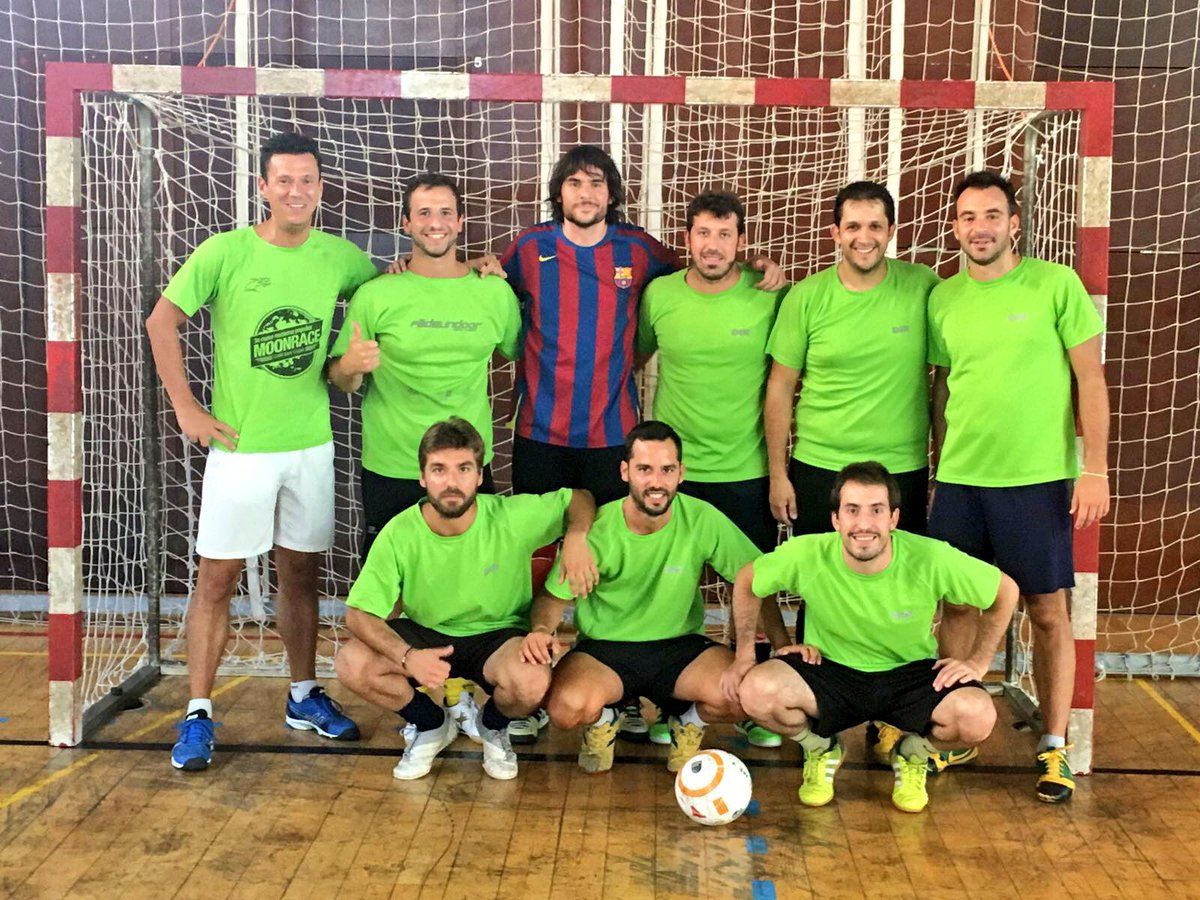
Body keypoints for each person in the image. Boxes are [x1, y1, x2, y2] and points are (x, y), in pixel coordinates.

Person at [500, 145, 785, 743]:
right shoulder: (528, 249)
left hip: (610, 439)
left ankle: (632, 697)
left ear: (612, 193)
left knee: (623, 560)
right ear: (558, 191)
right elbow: (489, 274)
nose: (586, 192)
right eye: (574, 182)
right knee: (533, 565)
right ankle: (520, 690)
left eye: (597, 183)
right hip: (539, 434)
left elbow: (705, 263)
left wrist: (756, 259)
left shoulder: (639, 251)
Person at [145, 131, 379, 771]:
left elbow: (398, 285)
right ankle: (198, 711)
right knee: (216, 579)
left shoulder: (340, 257)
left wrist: (473, 272)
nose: (296, 191)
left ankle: (302, 694)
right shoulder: (225, 252)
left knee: (300, 574)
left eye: (307, 180)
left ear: (321, 190)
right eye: (284, 180)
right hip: (242, 450)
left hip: (311, 446)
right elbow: (161, 321)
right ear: (264, 187)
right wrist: (186, 408)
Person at [927, 171, 1110, 803]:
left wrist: (1095, 467)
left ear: (1014, 223)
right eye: (967, 216)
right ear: (955, 226)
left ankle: (1054, 745)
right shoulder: (943, 299)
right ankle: (953, 730)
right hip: (960, 480)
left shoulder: (1055, 286)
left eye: (991, 215)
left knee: (1048, 610)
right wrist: (938, 461)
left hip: (1035, 482)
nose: (979, 227)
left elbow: (1090, 378)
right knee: (955, 606)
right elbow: (944, 387)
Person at [327, 174, 522, 740]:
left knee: (472, 589)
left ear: (461, 223)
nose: (435, 223)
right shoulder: (376, 294)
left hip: (463, 475)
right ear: (406, 224)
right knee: (387, 602)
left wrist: (499, 272)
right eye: (423, 213)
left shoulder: (492, 292)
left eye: (445, 212)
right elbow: (339, 380)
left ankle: (475, 697)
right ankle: (424, 716)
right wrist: (351, 366)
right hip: (392, 465)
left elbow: (519, 351)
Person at [762, 181, 942, 767]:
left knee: (898, 589)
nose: (864, 237)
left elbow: (942, 383)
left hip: (903, 471)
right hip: (819, 468)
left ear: (891, 231)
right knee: (825, 587)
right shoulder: (807, 298)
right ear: (834, 232)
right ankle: (824, 718)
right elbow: (781, 388)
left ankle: (895, 716)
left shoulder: (923, 289)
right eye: (853, 226)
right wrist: (778, 474)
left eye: (876, 226)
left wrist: (943, 464)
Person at [722, 462, 1019, 813]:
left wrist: (978, 662)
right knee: (755, 691)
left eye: (876, 510)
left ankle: (913, 755)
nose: (864, 524)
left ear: (893, 518)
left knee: (978, 716)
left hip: (908, 673)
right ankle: (820, 747)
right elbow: (746, 581)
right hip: (830, 669)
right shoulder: (808, 553)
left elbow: (1006, 591)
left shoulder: (930, 556)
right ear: (836, 519)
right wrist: (751, 653)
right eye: (852, 510)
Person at [333, 418, 597, 780]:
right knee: (352, 662)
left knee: (533, 679)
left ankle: (491, 726)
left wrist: (578, 537)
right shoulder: (400, 532)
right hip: (428, 633)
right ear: (423, 477)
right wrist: (408, 657)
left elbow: (579, 499)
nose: (452, 482)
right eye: (439, 469)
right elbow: (358, 614)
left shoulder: (511, 517)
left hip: (498, 636)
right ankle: (430, 725)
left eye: (463, 469)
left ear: (478, 476)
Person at [636, 189, 790, 749]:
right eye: (703, 233)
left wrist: (778, 473)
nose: (713, 245)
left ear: (742, 242)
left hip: (744, 469)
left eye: (725, 235)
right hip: (673, 475)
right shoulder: (660, 296)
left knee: (757, 586)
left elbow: (785, 380)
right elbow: (631, 359)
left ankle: (760, 702)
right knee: (667, 587)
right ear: (688, 240)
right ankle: (666, 702)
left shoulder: (768, 296)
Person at [538, 421, 760, 773]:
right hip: (605, 650)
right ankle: (604, 720)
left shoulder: (701, 518)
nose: (656, 482)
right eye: (644, 469)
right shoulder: (596, 530)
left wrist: (770, 646)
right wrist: (540, 631)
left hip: (680, 648)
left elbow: (754, 579)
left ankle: (689, 722)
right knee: (565, 708)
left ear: (681, 473)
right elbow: (551, 600)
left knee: (751, 694)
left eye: (667, 469)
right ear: (625, 471)